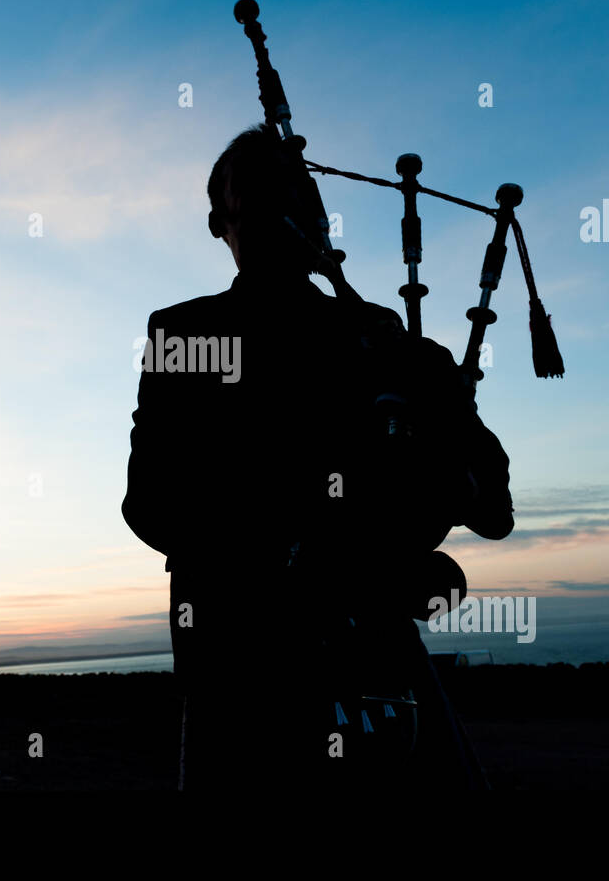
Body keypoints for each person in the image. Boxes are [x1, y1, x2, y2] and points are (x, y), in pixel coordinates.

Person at [121, 125, 513, 790]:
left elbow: (495, 505)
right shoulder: (187, 335)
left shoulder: (388, 344)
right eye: (257, 194)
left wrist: (444, 478)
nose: (281, 209)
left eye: (293, 191)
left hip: (381, 664)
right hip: (240, 670)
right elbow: (152, 499)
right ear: (220, 223)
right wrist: (302, 553)